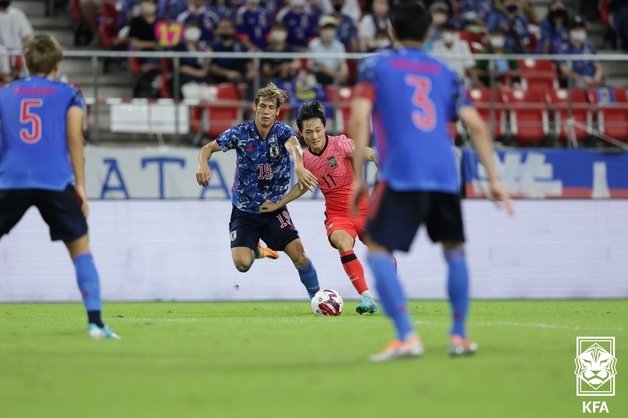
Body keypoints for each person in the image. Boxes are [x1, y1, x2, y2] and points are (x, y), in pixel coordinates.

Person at [349, 2, 513, 362]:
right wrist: (495, 180)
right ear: (428, 34)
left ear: (390, 31)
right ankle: (459, 335)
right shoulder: (446, 72)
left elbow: (359, 117)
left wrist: (360, 180)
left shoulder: (374, 67)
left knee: (376, 250)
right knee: (454, 249)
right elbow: (478, 126)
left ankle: (407, 335)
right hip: (444, 173)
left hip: (401, 171)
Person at [0, 35, 120, 340]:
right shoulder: (69, 93)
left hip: (12, 179)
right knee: (81, 249)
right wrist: (80, 185)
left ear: (26, 61)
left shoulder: (6, 93)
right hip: (55, 180)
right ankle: (95, 323)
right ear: (57, 62)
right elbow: (74, 137)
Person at [195, 83, 322, 301]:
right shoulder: (240, 133)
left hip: (274, 209)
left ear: (277, 111)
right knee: (242, 264)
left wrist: (299, 166)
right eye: (262, 106)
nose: (266, 111)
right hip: (244, 210)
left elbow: (294, 148)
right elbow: (207, 148)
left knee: (300, 256)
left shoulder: (283, 132)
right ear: (254, 107)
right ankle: (258, 250)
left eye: (271, 107)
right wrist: (202, 165)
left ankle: (318, 298)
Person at [260, 101, 379, 314]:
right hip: (338, 215)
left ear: (324, 127)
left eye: (317, 130)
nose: (314, 136)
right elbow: (302, 187)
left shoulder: (341, 144)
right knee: (343, 242)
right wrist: (279, 204)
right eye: (308, 132)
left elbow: (367, 153)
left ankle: (389, 289)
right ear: (301, 134)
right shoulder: (305, 159)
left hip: (363, 209)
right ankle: (367, 297)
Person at [558, 16, 604, 88]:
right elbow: (564, 70)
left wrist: (597, 76)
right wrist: (583, 79)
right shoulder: (564, 48)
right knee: (580, 85)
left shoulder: (589, 46)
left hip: (593, 79)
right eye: (576, 29)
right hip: (576, 81)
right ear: (569, 31)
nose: (579, 31)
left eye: (581, 29)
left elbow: (598, 65)